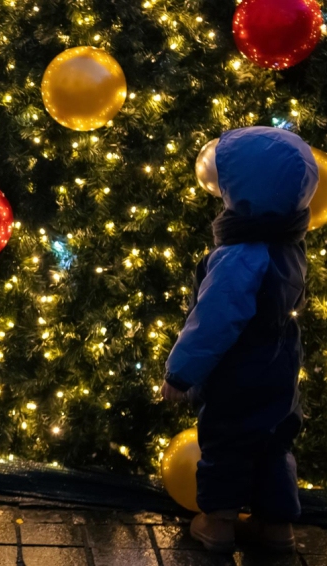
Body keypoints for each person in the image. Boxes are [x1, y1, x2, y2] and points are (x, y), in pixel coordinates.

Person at [162, 127, 317, 553]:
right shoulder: (292, 244)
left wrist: (181, 373)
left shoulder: (240, 255)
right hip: (280, 365)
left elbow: (215, 320)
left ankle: (217, 524)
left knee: (226, 441)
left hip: (240, 370)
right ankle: (276, 527)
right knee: (274, 441)